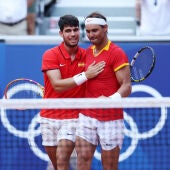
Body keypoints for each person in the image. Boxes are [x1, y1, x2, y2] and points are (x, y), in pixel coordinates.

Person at [40, 14, 105, 170]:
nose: (73, 34)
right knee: (57, 165)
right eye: (68, 31)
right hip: (48, 118)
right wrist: (85, 75)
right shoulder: (50, 54)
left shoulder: (88, 55)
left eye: (75, 30)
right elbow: (57, 85)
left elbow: (99, 79)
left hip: (73, 118)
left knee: (62, 160)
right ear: (61, 33)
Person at [75, 12, 132, 170]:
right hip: (86, 116)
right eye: (88, 31)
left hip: (110, 119)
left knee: (109, 166)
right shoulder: (86, 53)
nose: (91, 35)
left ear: (105, 28)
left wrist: (110, 100)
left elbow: (126, 86)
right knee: (83, 160)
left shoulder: (116, 53)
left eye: (95, 30)